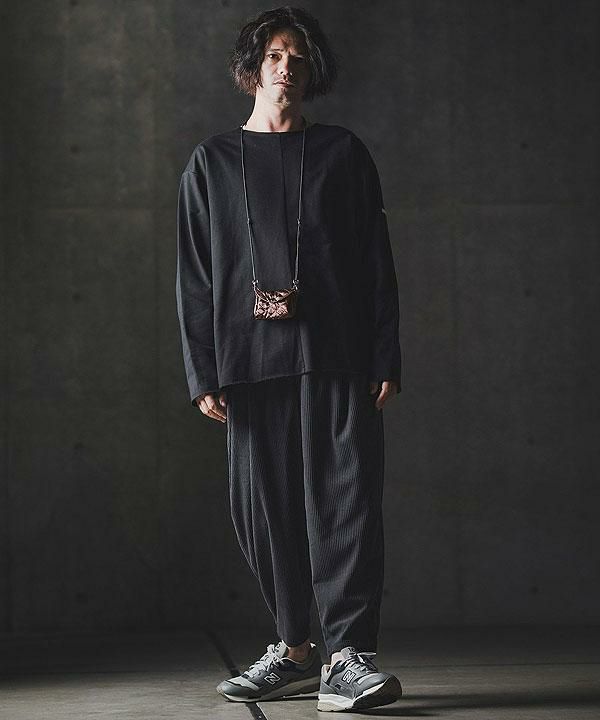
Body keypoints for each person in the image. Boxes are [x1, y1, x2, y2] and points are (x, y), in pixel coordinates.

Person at [176, 6, 403, 713]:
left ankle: (348, 658)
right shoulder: (212, 162)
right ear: (252, 67)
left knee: (347, 502)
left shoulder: (342, 153)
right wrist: (202, 369)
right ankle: (295, 648)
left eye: (299, 58)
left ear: (313, 72)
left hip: (337, 356)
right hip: (248, 362)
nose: (287, 68)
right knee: (264, 512)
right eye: (275, 55)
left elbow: (375, 260)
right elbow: (195, 274)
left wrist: (384, 352)